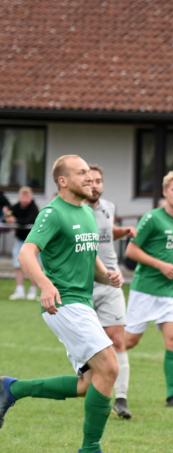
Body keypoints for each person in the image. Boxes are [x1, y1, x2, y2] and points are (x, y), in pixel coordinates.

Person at [0, 154, 122, 453]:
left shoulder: (87, 213)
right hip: (64, 304)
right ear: (63, 181)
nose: (89, 178)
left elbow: (89, 256)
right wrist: (45, 284)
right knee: (110, 367)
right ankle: (90, 448)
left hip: (82, 304)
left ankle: (12, 388)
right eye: (81, 173)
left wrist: (107, 275)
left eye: (90, 173)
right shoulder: (52, 213)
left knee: (89, 384)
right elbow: (26, 253)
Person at [124, 171, 173, 409]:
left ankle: (172, 396)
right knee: (129, 341)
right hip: (145, 290)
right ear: (165, 192)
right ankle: (95, 366)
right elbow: (131, 251)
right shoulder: (152, 218)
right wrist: (160, 265)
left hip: (171, 292)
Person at [86, 165, 137, 419]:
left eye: (98, 180)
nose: (94, 185)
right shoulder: (76, 211)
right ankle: (91, 390)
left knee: (118, 339)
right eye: (90, 181)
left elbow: (105, 234)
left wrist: (123, 232)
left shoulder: (108, 207)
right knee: (88, 344)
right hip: (84, 285)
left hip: (112, 282)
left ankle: (121, 398)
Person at [4, 186, 39, 300]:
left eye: (26, 195)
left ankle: (33, 291)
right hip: (19, 240)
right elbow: (8, 214)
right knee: (17, 265)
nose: (24, 198)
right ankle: (20, 291)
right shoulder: (17, 206)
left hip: (32, 242)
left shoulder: (34, 208)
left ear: (30, 197)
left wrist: (15, 220)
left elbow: (30, 220)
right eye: (22, 195)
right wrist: (8, 216)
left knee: (32, 266)